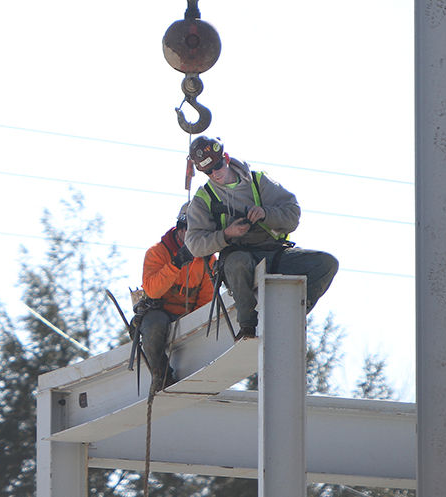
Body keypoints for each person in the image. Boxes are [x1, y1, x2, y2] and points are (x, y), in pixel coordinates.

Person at [184, 135, 339, 337]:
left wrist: (266, 214)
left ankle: (294, 312)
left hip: (272, 252)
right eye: (208, 171)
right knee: (238, 262)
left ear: (227, 158)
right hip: (237, 258)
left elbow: (293, 214)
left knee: (325, 263)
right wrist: (226, 235)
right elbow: (194, 244)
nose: (215, 173)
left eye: (218, 166)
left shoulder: (258, 181)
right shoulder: (203, 199)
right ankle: (248, 326)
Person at [136, 202, 216, 391]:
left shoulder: (208, 260)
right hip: (159, 313)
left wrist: (193, 325)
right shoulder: (157, 253)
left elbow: (206, 301)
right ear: (180, 228)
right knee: (154, 325)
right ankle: (162, 376)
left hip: (188, 317)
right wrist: (176, 263)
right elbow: (153, 290)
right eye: (189, 230)